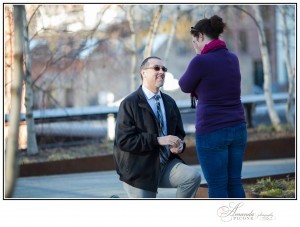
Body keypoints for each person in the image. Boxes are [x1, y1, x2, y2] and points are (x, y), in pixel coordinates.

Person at [178, 15, 247, 198]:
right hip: (238, 128)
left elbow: (184, 85)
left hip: (212, 131)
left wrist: (197, 59)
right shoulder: (233, 58)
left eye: (195, 42)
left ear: (201, 36)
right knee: (234, 183)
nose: (195, 48)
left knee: (217, 186)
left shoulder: (201, 61)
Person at [114, 56, 201, 198]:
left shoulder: (169, 102)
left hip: (165, 164)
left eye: (163, 69)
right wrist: (158, 140)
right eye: (156, 68)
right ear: (143, 72)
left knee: (192, 177)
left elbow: (179, 133)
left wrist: (179, 145)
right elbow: (124, 141)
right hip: (139, 170)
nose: (161, 71)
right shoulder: (129, 103)